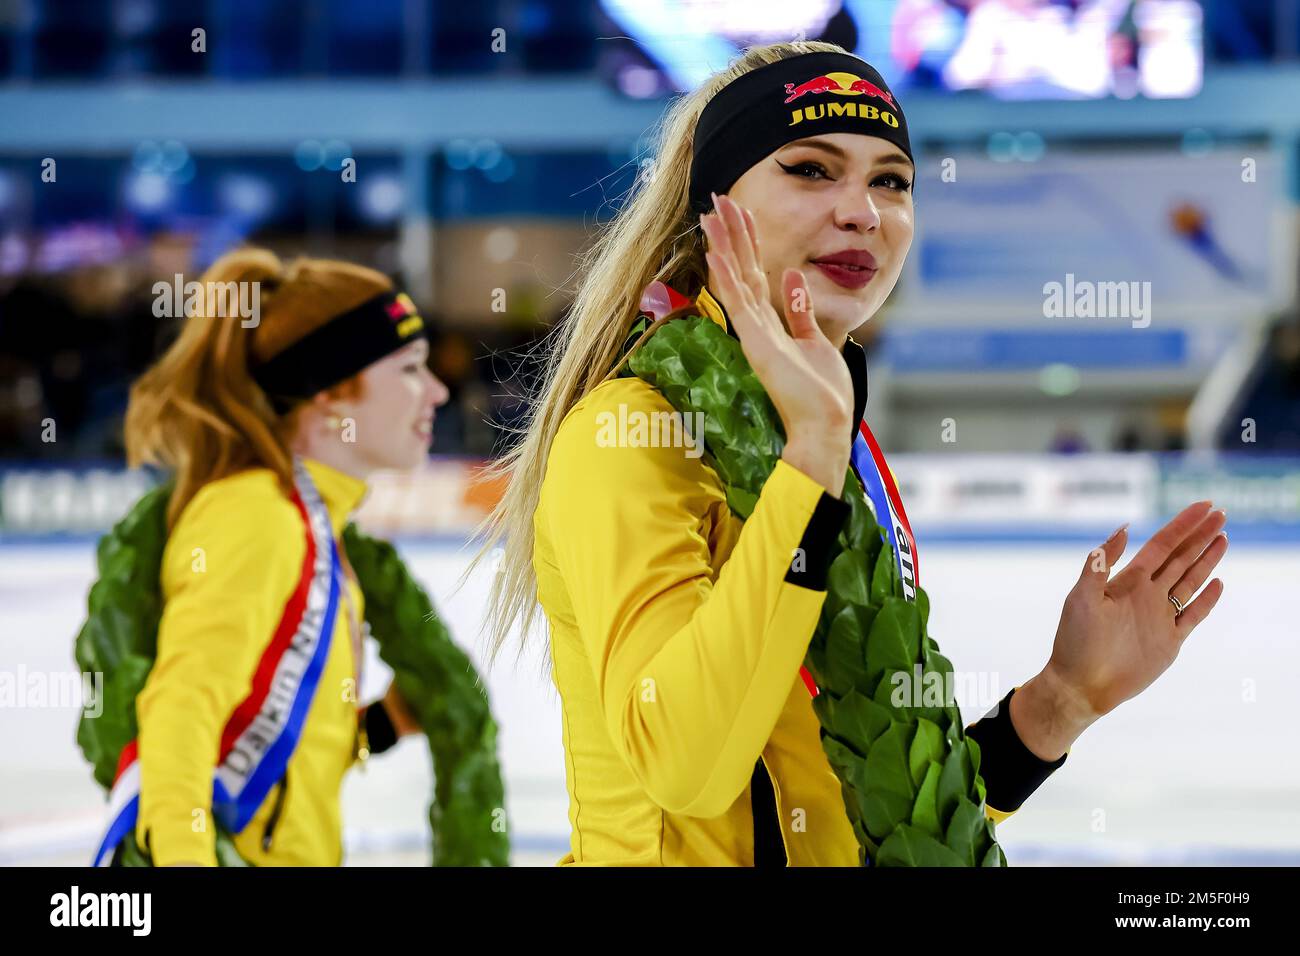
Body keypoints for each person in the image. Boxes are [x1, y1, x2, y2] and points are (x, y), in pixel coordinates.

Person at [478, 42, 1228, 866]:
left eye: (890, 181)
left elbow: (861, 794)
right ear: (713, 204)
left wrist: (1061, 699)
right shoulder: (636, 435)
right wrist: (808, 468)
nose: (863, 212)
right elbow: (682, 766)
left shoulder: (832, 440)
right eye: (810, 169)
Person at [99, 248, 449, 866]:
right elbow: (180, 718)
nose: (438, 392)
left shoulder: (310, 522)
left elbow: (271, 740)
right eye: (411, 369)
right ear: (333, 392)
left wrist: (379, 727)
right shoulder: (256, 517)